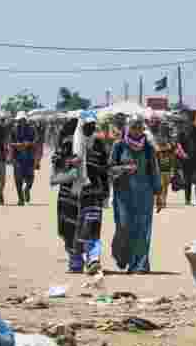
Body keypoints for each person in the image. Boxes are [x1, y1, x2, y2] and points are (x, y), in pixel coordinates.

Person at [53, 112, 109, 274]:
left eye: (93, 125)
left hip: (93, 192)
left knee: (91, 226)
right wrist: (69, 162)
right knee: (70, 227)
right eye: (87, 125)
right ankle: (75, 261)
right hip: (69, 193)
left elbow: (105, 169)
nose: (90, 128)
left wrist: (105, 192)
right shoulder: (68, 143)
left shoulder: (98, 144)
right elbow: (57, 164)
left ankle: (93, 259)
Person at [110, 116, 162, 273]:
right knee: (124, 227)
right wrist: (124, 169)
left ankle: (140, 265)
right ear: (127, 128)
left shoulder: (148, 147)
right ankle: (122, 256)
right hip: (123, 195)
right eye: (133, 127)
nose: (137, 131)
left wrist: (159, 194)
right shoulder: (119, 146)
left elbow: (154, 171)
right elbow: (110, 168)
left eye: (139, 127)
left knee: (143, 229)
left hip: (144, 194)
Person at [177, 109, 196, 206]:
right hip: (189, 159)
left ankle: (194, 199)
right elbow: (178, 144)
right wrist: (183, 154)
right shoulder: (184, 130)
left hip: (195, 159)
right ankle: (191, 199)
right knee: (190, 180)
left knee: (194, 180)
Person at [10, 114, 37, 205]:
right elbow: (10, 143)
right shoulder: (13, 130)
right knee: (18, 179)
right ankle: (20, 199)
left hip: (29, 157)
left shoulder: (31, 129)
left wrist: (29, 143)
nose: (21, 121)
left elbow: (35, 142)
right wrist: (18, 145)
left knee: (31, 178)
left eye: (23, 120)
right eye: (20, 120)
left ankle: (27, 189)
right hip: (17, 158)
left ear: (25, 120)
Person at [153, 118, 175, 213]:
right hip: (160, 166)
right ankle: (160, 200)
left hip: (167, 165)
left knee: (165, 185)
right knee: (161, 185)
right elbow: (156, 149)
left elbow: (172, 150)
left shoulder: (169, 138)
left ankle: (163, 200)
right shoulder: (157, 137)